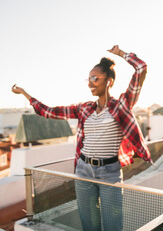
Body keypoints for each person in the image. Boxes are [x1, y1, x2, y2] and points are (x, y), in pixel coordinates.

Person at [12, 45, 152, 231]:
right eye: (89, 79)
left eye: (95, 78)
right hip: (83, 170)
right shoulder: (84, 108)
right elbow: (49, 112)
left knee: (113, 226)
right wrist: (24, 93)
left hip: (109, 173)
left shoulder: (121, 105)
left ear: (109, 81)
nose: (90, 83)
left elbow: (141, 68)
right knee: (89, 226)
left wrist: (120, 54)